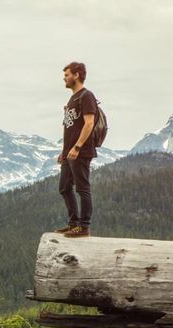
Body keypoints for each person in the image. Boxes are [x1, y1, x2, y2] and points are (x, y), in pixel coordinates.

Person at [55, 61, 98, 238]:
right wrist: (64, 151)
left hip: (80, 151)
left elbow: (89, 123)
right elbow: (70, 128)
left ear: (76, 75)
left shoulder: (86, 96)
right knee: (64, 187)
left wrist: (77, 146)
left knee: (82, 189)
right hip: (69, 152)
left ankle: (84, 227)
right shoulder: (73, 99)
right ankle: (73, 223)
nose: (64, 78)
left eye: (67, 75)